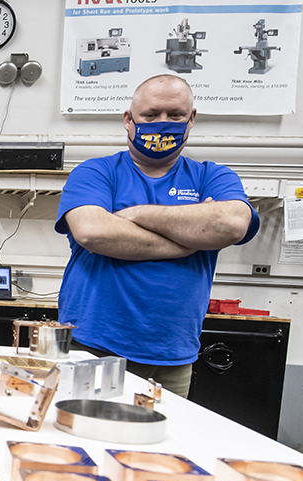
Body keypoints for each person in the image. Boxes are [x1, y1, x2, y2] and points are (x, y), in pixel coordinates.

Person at [55, 74, 260, 398]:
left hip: (172, 354)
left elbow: (232, 225)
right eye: (151, 115)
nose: (163, 124)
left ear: (191, 119)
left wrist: (137, 214)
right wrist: (186, 242)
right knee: (84, 439)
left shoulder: (213, 176)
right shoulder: (96, 172)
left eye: (175, 115)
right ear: (129, 120)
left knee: (159, 446)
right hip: (94, 345)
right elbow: (93, 231)